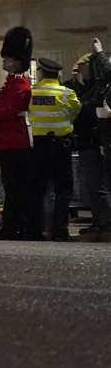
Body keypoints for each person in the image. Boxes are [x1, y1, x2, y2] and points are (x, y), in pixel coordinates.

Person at [26, 55, 80, 241]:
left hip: (38, 146)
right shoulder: (67, 94)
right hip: (60, 146)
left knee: (36, 189)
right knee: (63, 190)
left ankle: (35, 230)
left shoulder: (31, 93)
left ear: (41, 73)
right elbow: (74, 113)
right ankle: (60, 230)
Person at [0, 26, 34, 241]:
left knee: (16, 187)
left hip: (15, 143)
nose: (4, 62)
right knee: (11, 186)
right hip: (6, 142)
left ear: (17, 61)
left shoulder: (21, 86)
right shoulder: (11, 83)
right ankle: (11, 224)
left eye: (8, 59)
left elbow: (5, 111)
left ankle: (14, 225)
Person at [70, 39, 111, 241]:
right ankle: (100, 222)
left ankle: (105, 224)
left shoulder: (101, 88)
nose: (80, 71)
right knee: (94, 186)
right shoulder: (89, 88)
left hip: (97, 142)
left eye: (83, 67)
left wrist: (98, 54)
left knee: (99, 186)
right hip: (91, 141)